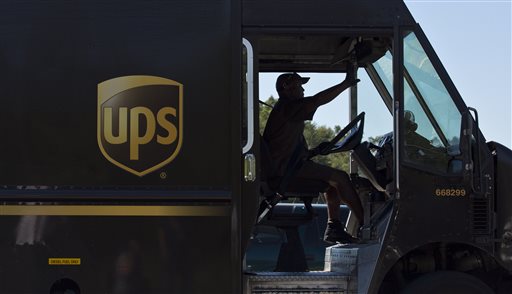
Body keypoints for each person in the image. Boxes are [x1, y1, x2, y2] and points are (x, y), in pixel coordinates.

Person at [263, 65, 364, 243]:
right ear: (287, 88)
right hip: (287, 172)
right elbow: (317, 100)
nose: (302, 89)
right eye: (299, 86)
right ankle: (366, 227)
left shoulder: (289, 114)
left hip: (290, 168)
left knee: (332, 185)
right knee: (341, 178)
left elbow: (290, 151)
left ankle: (334, 228)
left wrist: (316, 151)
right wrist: (346, 83)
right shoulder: (288, 107)